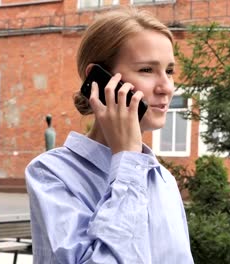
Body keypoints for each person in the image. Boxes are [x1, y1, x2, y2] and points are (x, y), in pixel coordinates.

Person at [25, 7, 194, 264]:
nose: (166, 88)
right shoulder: (51, 174)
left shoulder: (162, 179)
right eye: (147, 70)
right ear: (98, 80)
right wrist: (126, 158)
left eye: (169, 71)